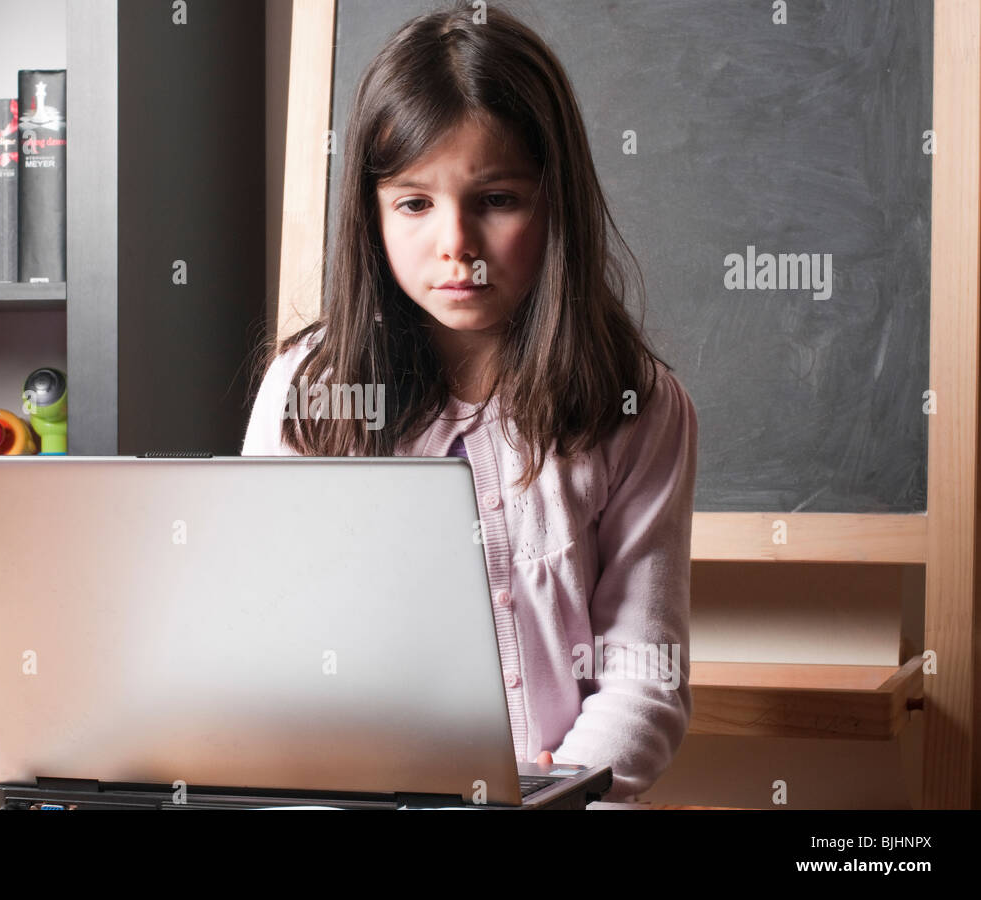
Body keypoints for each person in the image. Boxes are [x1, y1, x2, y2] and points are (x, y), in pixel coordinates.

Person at [243, 2, 697, 803]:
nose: (456, 244)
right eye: (414, 204)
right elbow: (265, 637)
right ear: (371, 216)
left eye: (496, 199)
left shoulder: (636, 405)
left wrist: (552, 796)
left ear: (556, 201)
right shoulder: (308, 392)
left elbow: (641, 673)